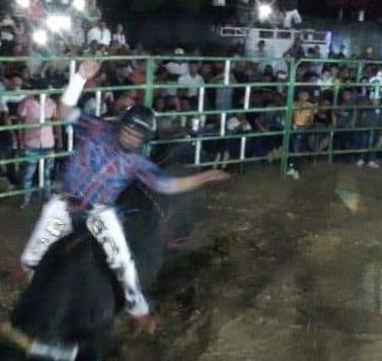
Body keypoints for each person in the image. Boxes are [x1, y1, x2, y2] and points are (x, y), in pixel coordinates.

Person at [17, 60, 229, 332]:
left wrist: (201, 178)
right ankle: (32, 286)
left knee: (122, 261)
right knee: (33, 254)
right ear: (122, 125)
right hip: (66, 203)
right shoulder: (95, 128)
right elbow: (65, 110)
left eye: (137, 135)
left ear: (143, 140)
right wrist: (79, 78)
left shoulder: (138, 162)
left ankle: (137, 310)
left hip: (98, 212)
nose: (130, 137)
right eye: (129, 129)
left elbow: (165, 185)